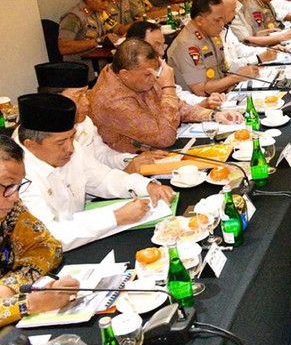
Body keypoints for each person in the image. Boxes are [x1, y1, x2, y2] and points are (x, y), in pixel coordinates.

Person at [15, 93, 175, 251]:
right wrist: (116, 217)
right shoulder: (15, 177)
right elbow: (50, 236)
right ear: (31, 145)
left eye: (72, 137)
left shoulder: (70, 148)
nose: (70, 148)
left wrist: (146, 186)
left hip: (87, 237)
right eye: (61, 142)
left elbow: (103, 178)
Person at [89, 39, 241, 152]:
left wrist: (213, 115)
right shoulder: (111, 100)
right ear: (125, 75)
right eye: (148, 74)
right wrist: (168, 86)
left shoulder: (140, 76)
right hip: (133, 164)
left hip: (160, 147)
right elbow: (164, 138)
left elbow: (177, 106)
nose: (154, 78)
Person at [0, 136, 79, 325]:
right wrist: (29, 303)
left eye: (18, 186)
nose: (15, 196)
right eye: (7, 185)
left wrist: (9, 287)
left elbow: (47, 246)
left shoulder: (10, 208)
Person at [34, 61, 164, 173]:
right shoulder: (36, 136)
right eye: (79, 96)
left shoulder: (85, 121)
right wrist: (126, 172)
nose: (87, 102)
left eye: (86, 93)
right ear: (54, 99)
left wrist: (132, 160)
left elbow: (101, 155)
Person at [126, 20, 226, 109]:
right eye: (155, 46)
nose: (161, 52)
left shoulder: (158, 65)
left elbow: (178, 94)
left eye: (162, 45)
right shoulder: (130, 75)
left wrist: (205, 101)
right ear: (136, 46)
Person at [167, 0, 252, 95]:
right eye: (217, 20)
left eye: (223, 19)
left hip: (224, 94)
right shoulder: (187, 45)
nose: (222, 24)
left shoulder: (210, 33)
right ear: (199, 20)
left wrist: (245, 69)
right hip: (202, 104)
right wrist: (237, 77)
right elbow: (200, 90)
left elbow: (223, 69)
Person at [57, 0, 119, 71]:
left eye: (109, 1)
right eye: (103, 0)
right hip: (80, 69)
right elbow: (64, 47)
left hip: (99, 65)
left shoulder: (98, 13)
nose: (106, 5)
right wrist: (99, 40)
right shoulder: (74, 17)